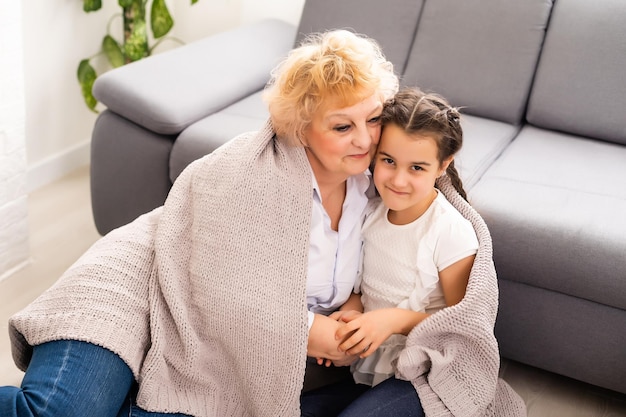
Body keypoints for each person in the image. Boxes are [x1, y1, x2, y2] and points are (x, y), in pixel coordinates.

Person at [0, 29, 399, 417]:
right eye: (342, 126)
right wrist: (309, 333)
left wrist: (355, 302)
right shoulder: (246, 170)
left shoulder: (379, 186)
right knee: (59, 412)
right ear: (302, 128)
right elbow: (219, 284)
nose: (365, 140)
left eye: (375, 119)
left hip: (212, 334)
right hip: (137, 284)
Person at [301, 88, 527, 416]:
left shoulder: (449, 231)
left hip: (426, 374)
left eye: (417, 168)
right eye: (388, 161)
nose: (398, 179)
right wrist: (353, 315)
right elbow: (364, 287)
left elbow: (463, 328)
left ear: (442, 165)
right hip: (373, 368)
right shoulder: (370, 212)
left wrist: (392, 320)